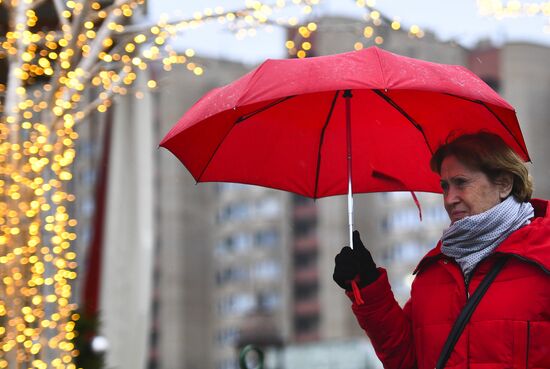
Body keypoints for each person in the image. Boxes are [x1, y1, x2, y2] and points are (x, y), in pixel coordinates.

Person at [333, 132, 550, 369]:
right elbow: (404, 360)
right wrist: (368, 285)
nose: (449, 198)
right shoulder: (431, 275)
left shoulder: (543, 257)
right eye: (445, 186)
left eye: (461, 183)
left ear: (504, 184)